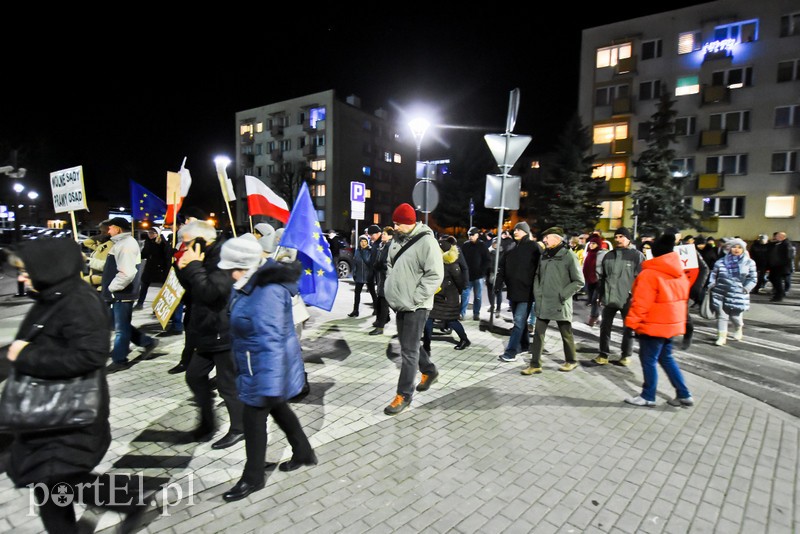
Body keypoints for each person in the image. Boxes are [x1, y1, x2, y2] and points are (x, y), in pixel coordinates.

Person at [5, 238, 111, 533]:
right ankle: (127, 500)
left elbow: (92, 355)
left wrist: (26, 356)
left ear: (48, 267)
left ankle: (127, 500)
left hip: (69, 413)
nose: (21, 277)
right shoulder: (52, 297)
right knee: (52, 486)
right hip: (47, 412)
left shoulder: (79, 301)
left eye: (25, 270)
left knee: (57, 483)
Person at [217, 235, 316, 502]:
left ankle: (252, 478)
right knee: (279, 408)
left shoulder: (266, 291)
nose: (229, 274)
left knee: (253, 421)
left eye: (233, 268)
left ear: (246, 265)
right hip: (256, 364)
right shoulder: (250, 283)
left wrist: (269, 384)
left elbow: (270, 340)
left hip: (264, 367)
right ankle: (303, 451)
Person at [176, 220, 245, 450]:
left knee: (227, 385)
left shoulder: (225, 258)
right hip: (206, 329)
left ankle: (239, 428)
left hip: (223, 330)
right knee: (194, 376)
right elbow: (192, 288)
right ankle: (207, 424)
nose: (183, 248)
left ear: (202, 241)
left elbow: (212, 292)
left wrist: (194, 265)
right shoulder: (202, 255)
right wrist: (182, 266)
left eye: (186, 243)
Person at [382, 203, 444, 415]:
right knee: (408, 344)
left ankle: (404, 395)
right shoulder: (396, 240)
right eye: (394, 222)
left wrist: (416, 298)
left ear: (410, 223)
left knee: (408, 351)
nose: (395, 226)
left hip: (417, 305)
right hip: (401, 302)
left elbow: (435, 275)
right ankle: (429, 370)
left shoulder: (427, 242)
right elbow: (390, 264)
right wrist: (391, 285)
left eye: (399, 223)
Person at [624, 232, 693, 407]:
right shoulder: (679, 273)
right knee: (666, 358)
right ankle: (684, 393)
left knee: (648, 360)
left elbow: (640, 303)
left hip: (652, 325)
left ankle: (648, 396)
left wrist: (631, 323)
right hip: (670, 325)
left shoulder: (649, 274)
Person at [522, 226, 584, 374]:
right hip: (544, 301)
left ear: (557, 238)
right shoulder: (545, 255)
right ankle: (535, 364)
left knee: (566, 334)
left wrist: (562, 295)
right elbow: (537, 275)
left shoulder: (569, 255)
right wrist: (537, 292)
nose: (544, 240)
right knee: (538, 334)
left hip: (560, 302)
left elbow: (579, 281)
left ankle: (571, 360)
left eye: (547, 237)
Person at [101, 217, 159, 372]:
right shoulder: (121, 243)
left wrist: (112, 287)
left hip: (122, 293)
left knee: (120, 327)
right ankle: (147, 342)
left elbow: (127, 272)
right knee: (118, 324)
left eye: (111, 227)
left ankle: (120, 360)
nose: (109, 230)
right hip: (118, 293)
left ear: (119, 229)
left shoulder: (126, 244)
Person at [593, 227, 644, 366]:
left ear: (628, 238)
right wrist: (600, 295)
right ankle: (603, 354)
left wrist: (635, 296)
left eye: (621, 236)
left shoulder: (637, 255)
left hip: (628, 299)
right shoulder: (609, 255)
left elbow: (642, 278)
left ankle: (625, 356)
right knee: (605, 326)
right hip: (609, 297)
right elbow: (602, 277)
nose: (618, 239)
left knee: (628, 327)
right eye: (616, 237)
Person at [496, 221, 540, 362]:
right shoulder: (512, 248)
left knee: (518, 323)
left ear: (526, 232)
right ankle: (525, 345)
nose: (515, 232)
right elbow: (502, 267)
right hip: (513, 292)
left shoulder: (534, 248)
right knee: (519, 322)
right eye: (515, 230)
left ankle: (511, 352)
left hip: (527, 293)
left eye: (519, 230)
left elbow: (541, 270)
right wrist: (498, 283)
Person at [708, 238, 758, 345]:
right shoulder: (720, 262)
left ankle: (738, 327)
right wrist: (712, 284)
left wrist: (746, 288)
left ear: (743, 249)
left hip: (738, 293)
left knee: (735, 316)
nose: (736, 249)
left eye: (739, 247)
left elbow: (753, 278)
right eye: (734, 247)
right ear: (729, 248)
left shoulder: (749, 262)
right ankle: (722, 337)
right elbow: (713, 274)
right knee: (722, 316)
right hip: (720, 292)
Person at [423, 239, 470, 351]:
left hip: (449, 297)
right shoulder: (435, 262)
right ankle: (426, 344)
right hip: (437, 295)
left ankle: (464, 339)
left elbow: (460, 283)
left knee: (451, 320)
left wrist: (455, 292)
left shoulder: (452, 264)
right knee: (429, 318)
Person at [134, 227, 170, 310]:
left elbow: (166, 253)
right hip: (149, 267)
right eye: (149, 233)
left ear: (157, 234)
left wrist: (161, 244)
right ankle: (140, 303)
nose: (150, 235)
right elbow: (145, 254)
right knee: (144, 285)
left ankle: (160, 306)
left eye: (152, 233)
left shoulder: (162, 242)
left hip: (160, 268)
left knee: (162, 288)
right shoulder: (148, 242)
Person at [460, 227, 489, 321]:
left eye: (472, 234)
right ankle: (462, 313)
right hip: (467, 276)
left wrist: (482, 272)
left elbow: (487, 260)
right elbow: (461, 259)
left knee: (478, 297)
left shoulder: (482, 245)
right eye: (469, 235)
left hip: (478, 276)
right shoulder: (465, 245)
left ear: (477, 235)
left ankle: (476, 313)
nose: (470, 236)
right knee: (465, 296)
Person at [369, 226, 394, 335]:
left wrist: (381, 265)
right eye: (382, 234)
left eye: (385, 234)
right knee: (380, 300)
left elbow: (390, 263)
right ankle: (381, 320)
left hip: (387, 277)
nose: (382, 236)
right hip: (381, 277)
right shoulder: (382, 245)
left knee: (383, 301)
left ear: (390, 236)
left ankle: (380, 327)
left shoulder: (390, 247)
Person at [582, 235, 608, 327]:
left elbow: (606, 266)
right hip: (589, 280)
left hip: (598, 280)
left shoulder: (602, 254)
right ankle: (597, 315)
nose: (591, 245)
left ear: (598, 244)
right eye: (590, 243)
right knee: (591, 299)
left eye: (594, 244)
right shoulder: (589, 253)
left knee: (595, 300)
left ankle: (593, 318)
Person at [81, 221, 113, 289]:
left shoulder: (110, 245)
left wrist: (87, 260)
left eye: (103, 232)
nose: (101, 234)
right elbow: (86, 243)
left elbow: (107, 267)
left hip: (102, 284)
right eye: (100, 232)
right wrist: (99, 237)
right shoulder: (103, 244)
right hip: (98, 281)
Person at [348, 236, 372, 317]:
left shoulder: (370, 250)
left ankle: (377, 309)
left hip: (368, 276)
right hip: (359, 275)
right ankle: (355, 310)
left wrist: (365, 251)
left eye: (365, 241)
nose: (363, 243)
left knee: (373, 294)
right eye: (361, 241)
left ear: (367, 242)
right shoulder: (357, 251)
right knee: (357, 293)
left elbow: (369, 261)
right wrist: (354, 274)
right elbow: (354, 263)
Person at [768, 232, 794, 302]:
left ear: (782, 237)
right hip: (775, 266)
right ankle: (779, 293)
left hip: (781, 266)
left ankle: (779, 295)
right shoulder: (777, 243)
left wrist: (783, 264)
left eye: (777, 236)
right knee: (772, 278)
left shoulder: (786, 244)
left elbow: (789, 257)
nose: (775, 237)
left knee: (777, 281)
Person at [485, 237, 504, 316]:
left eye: (497, 243)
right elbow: (486, 263)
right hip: (490, 274)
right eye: (494, 243)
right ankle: (492, 306)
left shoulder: (502, 252)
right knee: (490, 292)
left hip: (499, 275)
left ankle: (498, 309)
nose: (495, 244)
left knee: (498, 292)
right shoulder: (488, 251)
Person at [366, 224, 383, 308]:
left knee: (380, 289)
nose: (370, 237)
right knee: (369, 284)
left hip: (379, 270)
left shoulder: (382, 242)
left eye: (371, 235)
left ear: (378, 233)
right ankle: (376, 304)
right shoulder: (375, 243)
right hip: (372, 268)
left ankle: (380, 309)